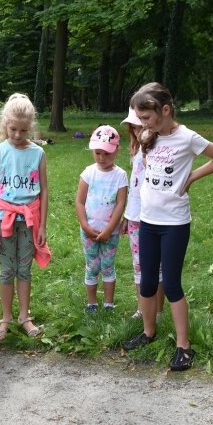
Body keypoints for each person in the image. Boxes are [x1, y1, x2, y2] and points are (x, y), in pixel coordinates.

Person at [123, 82, 213, 372]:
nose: (142, 124)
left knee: (170, 284)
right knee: (147, 282)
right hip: (147, 221)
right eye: (140, 118)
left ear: (165, 110)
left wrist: (192, 176)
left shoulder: (187, 138)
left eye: (146, 117)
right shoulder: (151, 137)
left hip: (174, 224)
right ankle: (148, 332)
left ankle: (184, 346)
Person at [0, 93, 50, 342]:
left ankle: (24, 317)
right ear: (5, 125)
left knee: (24, 269)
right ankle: (6, 318)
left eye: (23, 130)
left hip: (29, 220)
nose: (18, 135)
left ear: (30, 127)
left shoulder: (38, 154)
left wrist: (42, 225)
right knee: (6, 269)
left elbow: (43, 190)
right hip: (4, 220)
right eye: (13, 129)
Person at [75, 125, 128, 313]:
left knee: (107, 266)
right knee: (92, 265)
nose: (101, 158)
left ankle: (108, 303)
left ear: (116, 151)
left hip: (110, 233)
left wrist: (109, 230)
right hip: (88, 231)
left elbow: (120, 204)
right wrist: (85, 226)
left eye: (107, 154)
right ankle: (91, 302)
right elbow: (80, 202)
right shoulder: (88, 173)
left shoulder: (120, 175)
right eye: (98, 153)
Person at [119, 107, 165, 320]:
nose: (138, 131)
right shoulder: (137, 150)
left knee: (159, 267)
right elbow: (134, 187)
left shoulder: (158, 150)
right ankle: (142, 308)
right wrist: (127, 216)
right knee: (139, 266)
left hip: (156, 216)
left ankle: (158, 310)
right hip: (136, 218)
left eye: (142, 125)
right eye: (134, 127)